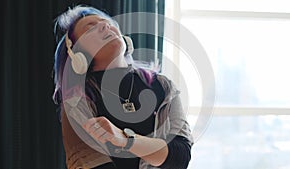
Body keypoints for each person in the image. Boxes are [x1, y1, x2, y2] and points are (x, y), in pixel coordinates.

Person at [52, 5, 193, 169]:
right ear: (78, 55)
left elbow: (180, 156)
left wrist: (125, 140)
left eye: (106, 22)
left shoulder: (163, 85)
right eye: (90, 29)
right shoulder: (76, 103)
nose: (105, 26)